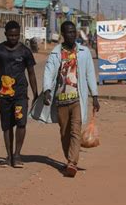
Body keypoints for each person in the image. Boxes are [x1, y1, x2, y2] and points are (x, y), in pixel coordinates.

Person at [42, 21, 100, 178]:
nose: (72, 35)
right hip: (61, 100)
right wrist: (47, 90)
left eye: (74, 32)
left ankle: (72, 162)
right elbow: (49, 72)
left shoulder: (84, 52)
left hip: (77, 99)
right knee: (64, 133)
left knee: (75, 130)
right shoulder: (56, 53)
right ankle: (69, 158)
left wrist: (94, 95)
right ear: (63, 34)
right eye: (68, 32)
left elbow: (89, 74)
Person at [0, 21, 38, 168]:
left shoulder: (25, 51)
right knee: (6, 126)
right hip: (4, 95)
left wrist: (36, 93)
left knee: (21, 123)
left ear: (19, 34)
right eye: (10, 35)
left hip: (20, 95)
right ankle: (9, 156)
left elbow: (31, 73)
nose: (13, 38)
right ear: (5, 34)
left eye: (16, 35)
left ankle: (17, 155)